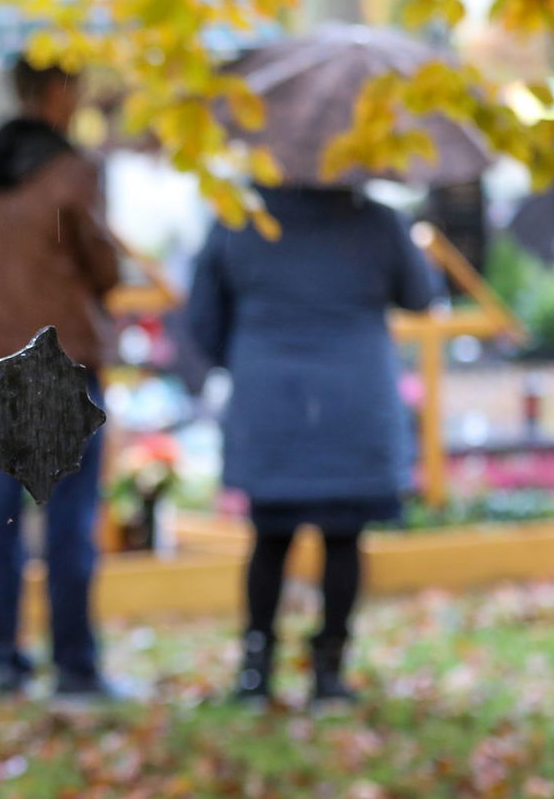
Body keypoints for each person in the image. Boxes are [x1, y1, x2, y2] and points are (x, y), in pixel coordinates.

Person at [186, 187, 434, 707]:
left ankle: (256, 672)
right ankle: (330, 673)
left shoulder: (239, 219)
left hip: (270, 398)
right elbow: (420, 294)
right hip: (354, 397)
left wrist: (252, 352)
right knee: (344, 537)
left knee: (269, 537)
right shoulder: (377, 221)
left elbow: (202, 320)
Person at [0, 57, 120, 701]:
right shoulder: (73, 173)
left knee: (0, 523)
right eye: (77, 87)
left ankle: (4, 661)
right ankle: (74, 668)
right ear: (54, 89)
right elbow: (104, 270)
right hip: (62, 367)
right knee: (70, 520)